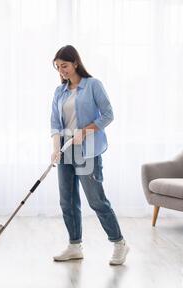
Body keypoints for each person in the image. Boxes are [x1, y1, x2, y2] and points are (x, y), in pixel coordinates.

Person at [50, 45, 129, 265]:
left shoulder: (93, 85)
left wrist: (84, 132)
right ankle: (75, 246)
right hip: (66, 151)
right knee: (67, 201)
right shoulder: (60, 91)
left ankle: (119, 243)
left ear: (75, 63)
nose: (61, 71)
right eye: (57, 68)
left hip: (87, 152)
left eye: (64, 66)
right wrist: (56, 148)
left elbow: (108, 115)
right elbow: (55, 124)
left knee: (96, 200)